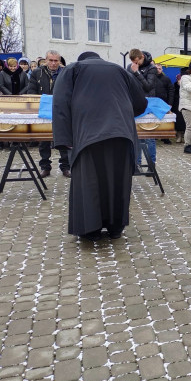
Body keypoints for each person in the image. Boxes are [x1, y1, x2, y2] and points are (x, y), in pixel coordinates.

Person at [53, 51, 147, 241]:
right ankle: (115, 228)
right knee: (118, 180)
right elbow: (140, 103)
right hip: (121, 133)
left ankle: (90, 230)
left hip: (88, 134)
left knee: (89, 181)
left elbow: (60, 104)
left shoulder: (72, 69)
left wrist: (64, 139)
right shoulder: (120, 70)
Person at [28, 50, 70, 178]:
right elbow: (31, 90)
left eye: (56, 60)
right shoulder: (37, 72)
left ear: (59, 61)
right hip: (44, 109)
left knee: (63, 139)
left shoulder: (66, 72)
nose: (53, 63)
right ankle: (45, 167)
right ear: (46, 60)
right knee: (44, 140)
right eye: (50, 60)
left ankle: (66, 166)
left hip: (61, 109)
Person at [127, 49, 158, 165]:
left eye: (137, 62)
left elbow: (149, 86)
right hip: (135, 104)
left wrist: (137, 73)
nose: (135, 64)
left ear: (142, 57)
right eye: (133, 62)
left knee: (149, 136)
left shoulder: (152, 68)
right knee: (137, 136)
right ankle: (137, 163)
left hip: (148, 103)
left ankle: (151, 163)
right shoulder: (130, 67)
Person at [154, 63, 175, 144]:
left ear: (162, 69)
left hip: (164, 103)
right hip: (153, 103)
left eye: (159, 68)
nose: (158, 70)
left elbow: (171, 91)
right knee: (153, 119)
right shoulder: (151, 78)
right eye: (156, 68)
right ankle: (154, 136)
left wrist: (170, 103)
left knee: (165, 120)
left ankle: (165, 137)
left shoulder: (166, 79)